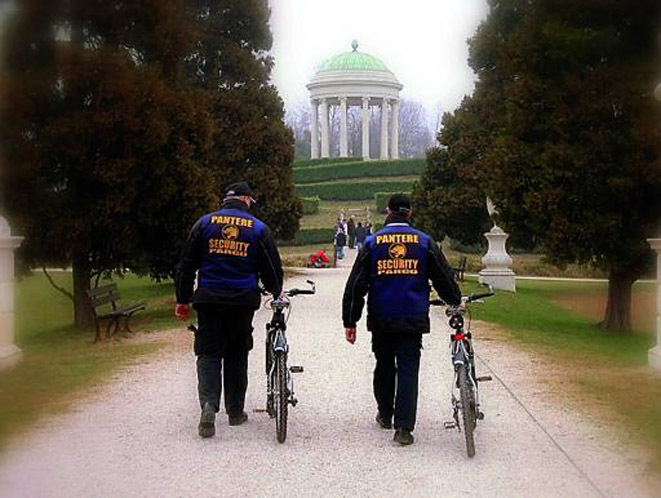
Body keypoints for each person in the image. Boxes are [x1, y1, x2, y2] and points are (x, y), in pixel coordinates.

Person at [342, 193, 461, 446]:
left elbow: (356, 285)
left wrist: (350, 320)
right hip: (412, 315)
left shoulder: (373, 242)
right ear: (410, 213)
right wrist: (454, 300)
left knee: (384, 364)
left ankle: (385, 414)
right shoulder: (424, 241)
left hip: (382, 315)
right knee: (408, 369)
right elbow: (443, 277)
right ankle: (404, 428)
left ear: (388, 211)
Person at [175, 181, 283, 438]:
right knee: (237, 352)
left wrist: (182, 299)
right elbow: (270, 267)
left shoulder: (203, 223)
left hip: (209, 298)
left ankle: (209, 405)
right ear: (247, 201)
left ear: (226, 200)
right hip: (242, 299)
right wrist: (276, 290)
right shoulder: (258, 228)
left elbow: (187, 264)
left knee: (209, 352)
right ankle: (235, 411)